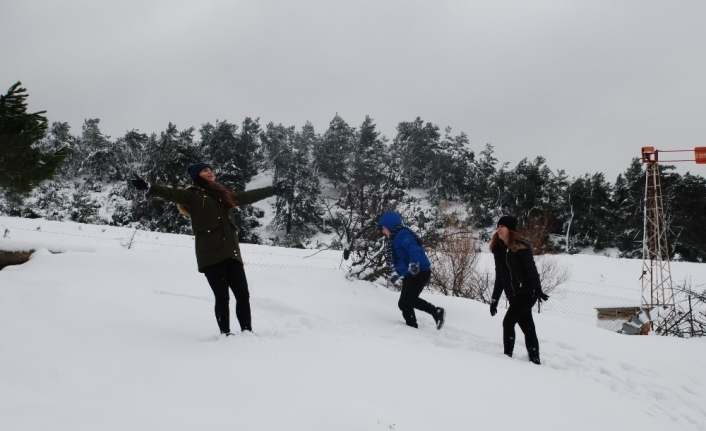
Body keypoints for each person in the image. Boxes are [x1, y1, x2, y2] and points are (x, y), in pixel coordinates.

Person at [128, 162, 291, 336]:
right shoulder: (191, 195)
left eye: (211, 170)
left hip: (231, 252)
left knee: (243, 295)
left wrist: (273, 190)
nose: (210, 172)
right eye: (205, 170)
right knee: (222, 297)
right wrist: (149, 187)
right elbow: (170, 193)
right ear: (197, 175)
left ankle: (247, 332)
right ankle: (225, 333)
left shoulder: (224, 195)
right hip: (211, 255)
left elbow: (247, 196)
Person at [489, 215, 549, 364]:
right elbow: (500, 277)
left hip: (527, 294)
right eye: (498, 226)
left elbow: (531, 268)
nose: (499, 229)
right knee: (528, 327)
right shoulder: (499, 249)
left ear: (510, 229)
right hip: (513, 295)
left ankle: (507, 357)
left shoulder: (521, 245)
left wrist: (537, 288)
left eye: (502, 226)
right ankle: (535, 360)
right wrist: (494, 299)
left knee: (508, 322)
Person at [377, 211, 446, 330]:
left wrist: (414, 264)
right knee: (403, 303)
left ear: (390, 225)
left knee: (409, 299)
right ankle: (412, 328)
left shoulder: (402, 235)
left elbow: (414, 248)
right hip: (412, 274)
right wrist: (396, 276)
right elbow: (403, 262)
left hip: (421, 271)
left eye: (384, 228)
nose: (383, 231)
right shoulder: (394, 239)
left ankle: (437, 312)